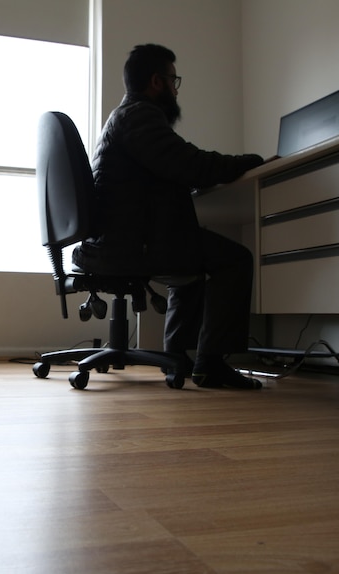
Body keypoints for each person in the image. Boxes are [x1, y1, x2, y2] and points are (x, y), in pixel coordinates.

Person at [73, 43, 265, 389]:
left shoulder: (124, 117)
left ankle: (176, 356)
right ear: (157, 82)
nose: (177, 89)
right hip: (133, 243)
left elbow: (169, 169)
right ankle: (211, 364)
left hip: (118, 240)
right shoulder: (140, 116)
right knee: (234, 259)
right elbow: (191, 164)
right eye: (175, 80)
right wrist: (254, 160)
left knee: (189, 254)